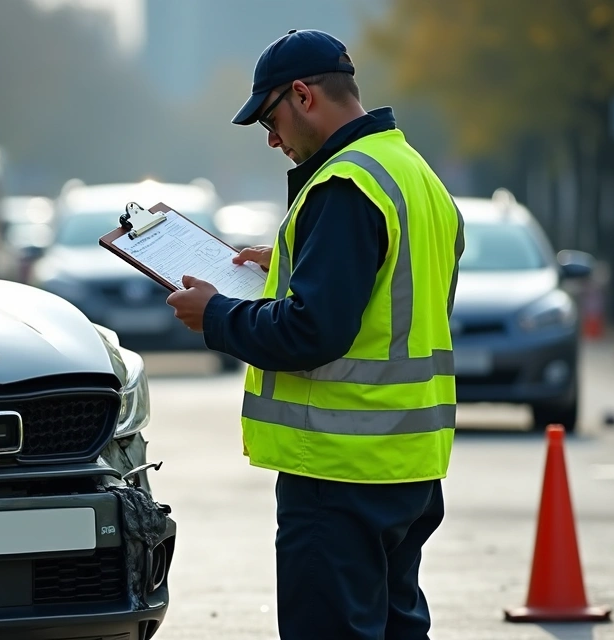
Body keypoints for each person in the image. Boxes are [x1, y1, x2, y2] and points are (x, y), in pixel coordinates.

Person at [164, 29, 465, 640]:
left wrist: (216, 314)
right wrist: (283, 265)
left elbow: (312, 332)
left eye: (270, 121)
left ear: (302, 95)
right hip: (407, 468)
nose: (273, 140)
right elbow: (391, 297)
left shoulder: (344, 185)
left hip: (341, 473)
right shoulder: (413, 173)